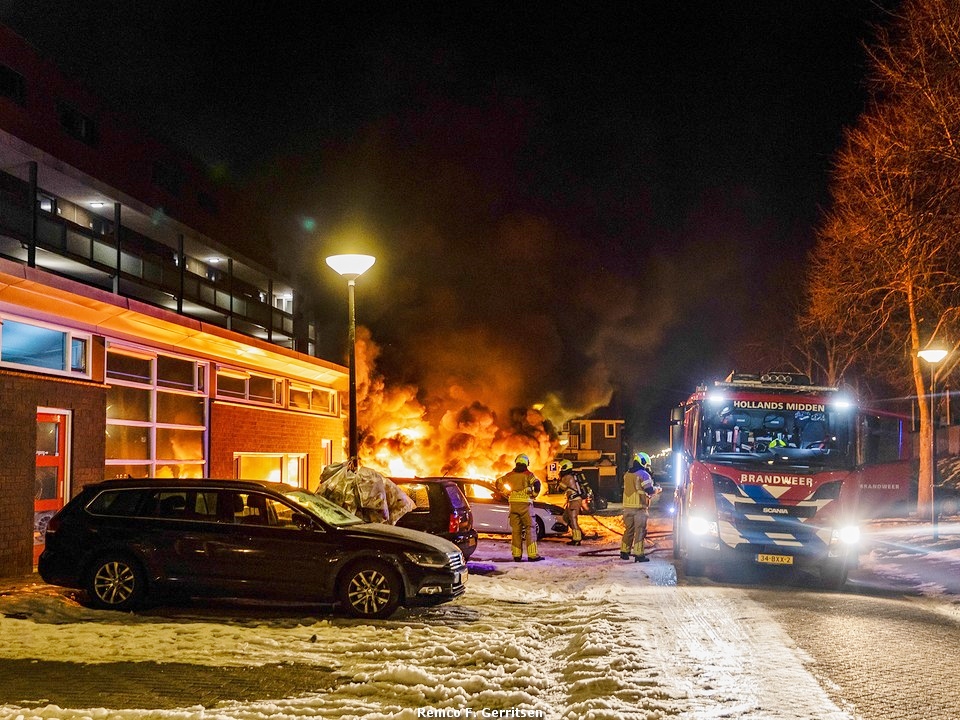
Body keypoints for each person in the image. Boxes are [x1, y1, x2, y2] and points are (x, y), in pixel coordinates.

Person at [495, 453, 544, 562]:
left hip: (513, 505)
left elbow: (498, 482)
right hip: (525, 505)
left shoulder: (509, 475)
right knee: (530, 529)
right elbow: (537, 485)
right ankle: (532, 555)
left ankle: (517, 555)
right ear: (526, 463)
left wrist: (506, 492)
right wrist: (534, 495)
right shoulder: (528, 475)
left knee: (516, 531)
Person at [620, 451, 661, 562]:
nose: (647, 467)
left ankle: (624, 551)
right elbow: (649, 490)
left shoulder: (627, 474)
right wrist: (657, 489)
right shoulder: (643, 474)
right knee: (640, 531)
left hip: (627, 507)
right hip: (639, 508)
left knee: (628, 530)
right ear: (643, 462)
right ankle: (639, 554)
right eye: (646, 464)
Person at [557, 459, 584, 546]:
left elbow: (560, 489)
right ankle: (579, 533)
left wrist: (558, 481)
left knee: (573, 519)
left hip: (574, 501)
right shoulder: (571, 476)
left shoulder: (567, 477)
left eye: (561, 467)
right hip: (572, 500)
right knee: (566, 517)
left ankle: (577, 539)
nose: (560, 469)